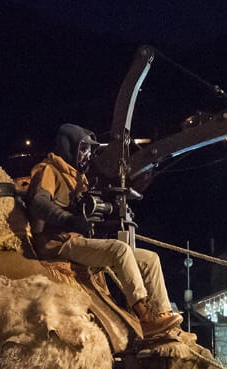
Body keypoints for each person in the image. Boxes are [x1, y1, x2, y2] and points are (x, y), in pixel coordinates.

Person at [24, 123, 181, 338]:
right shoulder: (49, 170)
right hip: (58, 243)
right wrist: (68, 220)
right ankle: (143, 315)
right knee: (120, 250)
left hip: (76, 239)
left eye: (89, 150)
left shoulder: (78, 177)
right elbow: (38, 203)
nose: (87, 155)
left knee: (149, 258)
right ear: (68, 146)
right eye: (83, 149)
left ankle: (162, 315)